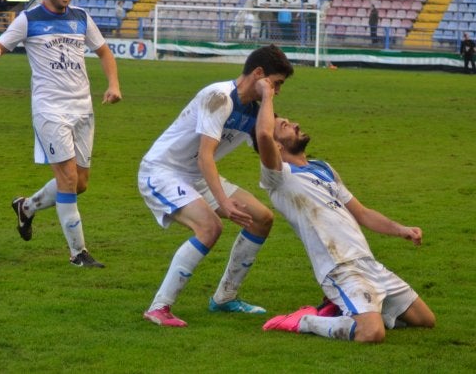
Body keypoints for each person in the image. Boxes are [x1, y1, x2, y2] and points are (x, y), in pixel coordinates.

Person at [253, 93, 436, 342]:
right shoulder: (279, 178)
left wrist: (401, 229)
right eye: (285, 126)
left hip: (369, 263)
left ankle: (347, 310)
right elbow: (263, 135)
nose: (296, 125)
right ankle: (305, 321)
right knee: (371, 333)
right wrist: (266, 94)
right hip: (339, 268)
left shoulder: (323, 167)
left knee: (426, 321)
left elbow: (361, 212)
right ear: (277, 146)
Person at [138, 44, 294, 327]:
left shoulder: (253, 109)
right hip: (163, 171)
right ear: (259, 74)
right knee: (210, 227)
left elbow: (270, 153)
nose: (277, 91)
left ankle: (224, 297)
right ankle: (158, 308)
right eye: (276, 83)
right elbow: (206, 155)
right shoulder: (219, 97)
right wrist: (223, 202)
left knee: (262, 219)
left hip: (195, 175)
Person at [0, 0, 122, 267]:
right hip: (50, 110)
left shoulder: (81, 17)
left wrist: (113, 85)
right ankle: (78, 253)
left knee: (80, 182)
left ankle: (26, 207)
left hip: (83, 109)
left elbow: (105, 52)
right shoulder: (28, 19)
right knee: (68, 179)